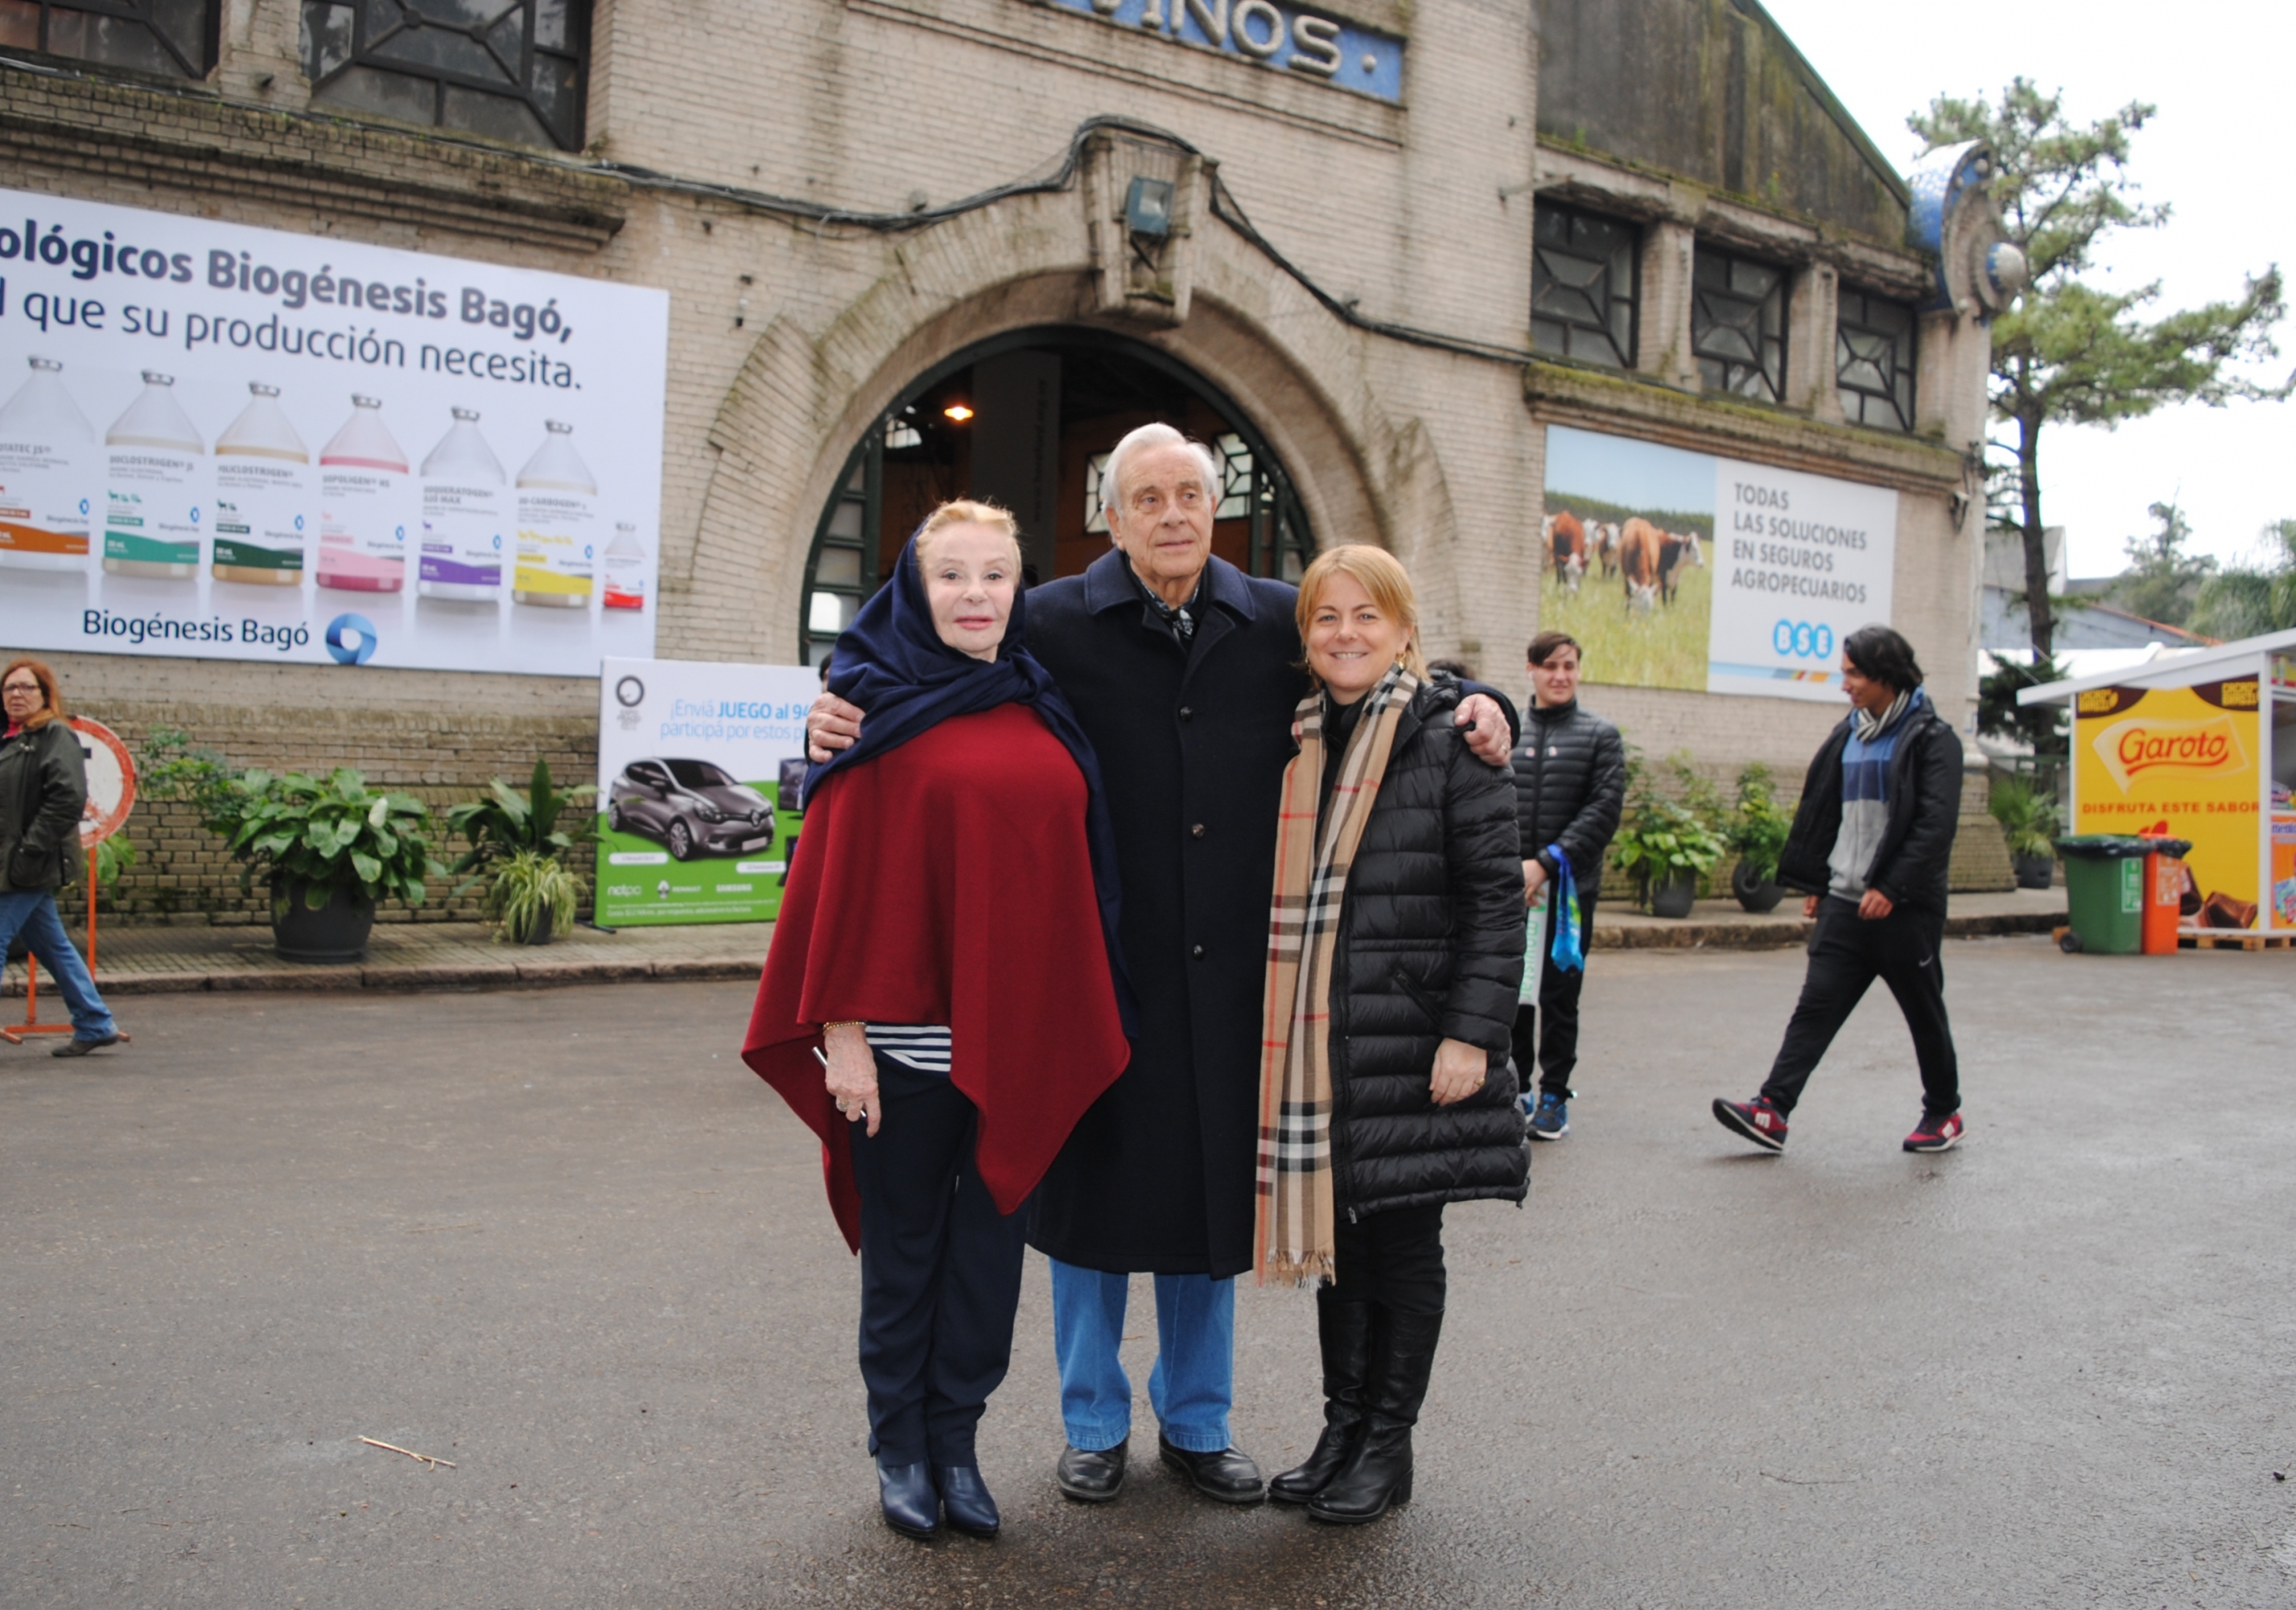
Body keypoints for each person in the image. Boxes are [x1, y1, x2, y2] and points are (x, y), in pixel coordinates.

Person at [807, 423, 1518, 1509]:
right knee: (1084, 1204)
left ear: (1217, 503)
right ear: (1111, 515)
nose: (1173, 513)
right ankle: (1091, 1424)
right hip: (1090, 974)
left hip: (1238, 985)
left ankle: (1198, 1423)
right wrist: (822, 712)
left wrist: (1487, 702)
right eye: (1148, 497)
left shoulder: (1279, 616)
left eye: (1191, 492)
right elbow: (904, 670)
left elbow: (1375, 654)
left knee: (1204, 1212)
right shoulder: (1042, 621)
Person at [743, 501, 1132, 1542]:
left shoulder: (1043, 702)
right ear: (916, 589)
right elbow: (838, 884)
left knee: (989, 1262)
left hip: (1013, 1044)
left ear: (1020, 588)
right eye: (951, 575)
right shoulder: (870, 710)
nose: (973, 594)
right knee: (905, 1254)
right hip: (899, 1055)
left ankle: (956, 1440)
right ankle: (899, 1447)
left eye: (993, 575)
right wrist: (844, 1039)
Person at [1256, 545, 1526, 1525]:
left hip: (1416, 1038)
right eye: (1327, 617)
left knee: (1404, 1242)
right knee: (1345, 1244)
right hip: (1322, 1044)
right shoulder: (1298, 741)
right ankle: (1343, 1425)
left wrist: (1473, 1034)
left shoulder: (1456, 740)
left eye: (1368, 616)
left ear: (1407, 630)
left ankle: (1389, 1441)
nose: (1346, 633)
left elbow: (1498, 903)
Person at [1712, 625, 1966, 1155]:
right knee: (1815, 1007)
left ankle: (1943, 1113)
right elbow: (1827, 813)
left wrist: (1892, 886)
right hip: (1845, 904)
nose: (1843, 683)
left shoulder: (1932, 739)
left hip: (1904, 908)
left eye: (1852, 673)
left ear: (1884, 674)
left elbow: (1934, 826)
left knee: (1923, 1012)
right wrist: (1818, 881)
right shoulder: (1848, 733)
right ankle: (1771, 1110)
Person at [1509, 632, 1625, 1141]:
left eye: (1570, 666)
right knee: (1510, 993)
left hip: (1567, 895)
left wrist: (1546, 864)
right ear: (1531, 669)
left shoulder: (1600, 735)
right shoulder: (1508, 729)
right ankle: (1515, 1089)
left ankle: (1554, 1094)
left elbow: (1603, 811)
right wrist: (1512, 869)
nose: (1561, 675)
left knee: (1559, 997)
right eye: (1551, 666)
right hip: (1512, 889)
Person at [1, 658, 122, 1058]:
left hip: (27, 864)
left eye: (26, 687)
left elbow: (66, 800)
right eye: (9, 688)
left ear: (44, 693)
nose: (17, 695)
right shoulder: (12, 738)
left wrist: (28, 850)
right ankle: (95, 1023)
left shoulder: (54, 734)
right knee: (52, 945)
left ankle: (94, 1022)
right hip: (13, 862)